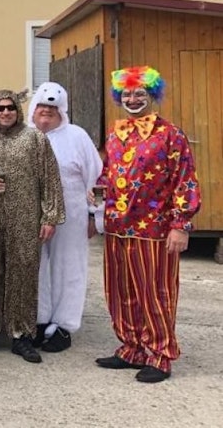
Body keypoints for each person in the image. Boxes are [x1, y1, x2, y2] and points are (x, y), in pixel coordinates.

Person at [96, 66, 200, 383]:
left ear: (152, 95)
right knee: (121, 291)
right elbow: (108, 173)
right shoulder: (115, 135)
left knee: (156, 293)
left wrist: (181, 224)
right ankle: (132, 348)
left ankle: (159, 355)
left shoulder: (171, 135)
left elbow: (185, 180)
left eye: (140, 93)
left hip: (155, 229)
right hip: (117, 228)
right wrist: (96, 190)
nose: (133, 99)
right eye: (127, 94)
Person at [0, 88, 65, 363]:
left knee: (23, 272)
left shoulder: (35, 139)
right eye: (0, 108)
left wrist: (50, 217)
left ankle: (22, 335)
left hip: (25, 218)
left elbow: (50, 179)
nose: (6, 112)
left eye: (10, 107)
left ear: (18, 110)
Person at [27, 82, 102, 353]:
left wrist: (94, 214)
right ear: (33, 109)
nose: (46, 113)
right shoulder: (24, 136)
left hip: (72, 212)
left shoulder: (77, 136)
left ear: (62, 110)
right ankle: (38, 320)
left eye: (52, 109)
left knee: (68, 266)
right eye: (41, 108)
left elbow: (95, 177)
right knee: (35, 267)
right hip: (31, 212)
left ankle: (63, 325)